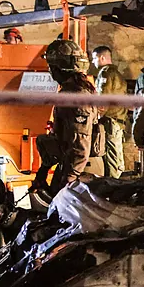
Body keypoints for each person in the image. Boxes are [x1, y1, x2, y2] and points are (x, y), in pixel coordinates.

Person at [34, 39, 99, 197]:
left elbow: (80, 145)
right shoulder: (75, 90)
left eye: (52, 66)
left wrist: (68, 183)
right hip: (73, 167)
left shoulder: (76, 96)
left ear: (60, 68)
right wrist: (44, 169)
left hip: (80, 171)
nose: (50, 71)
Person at [91, 45, 128, 178]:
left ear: (102, 58)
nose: (93, 62)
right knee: (117, 158)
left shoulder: (105, 73)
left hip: (110, 121)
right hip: (118, 121)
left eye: (94, 58)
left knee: (111, 159)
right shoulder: (118, 74)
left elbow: (103, 99)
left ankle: (113, 186)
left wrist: (96, 118)